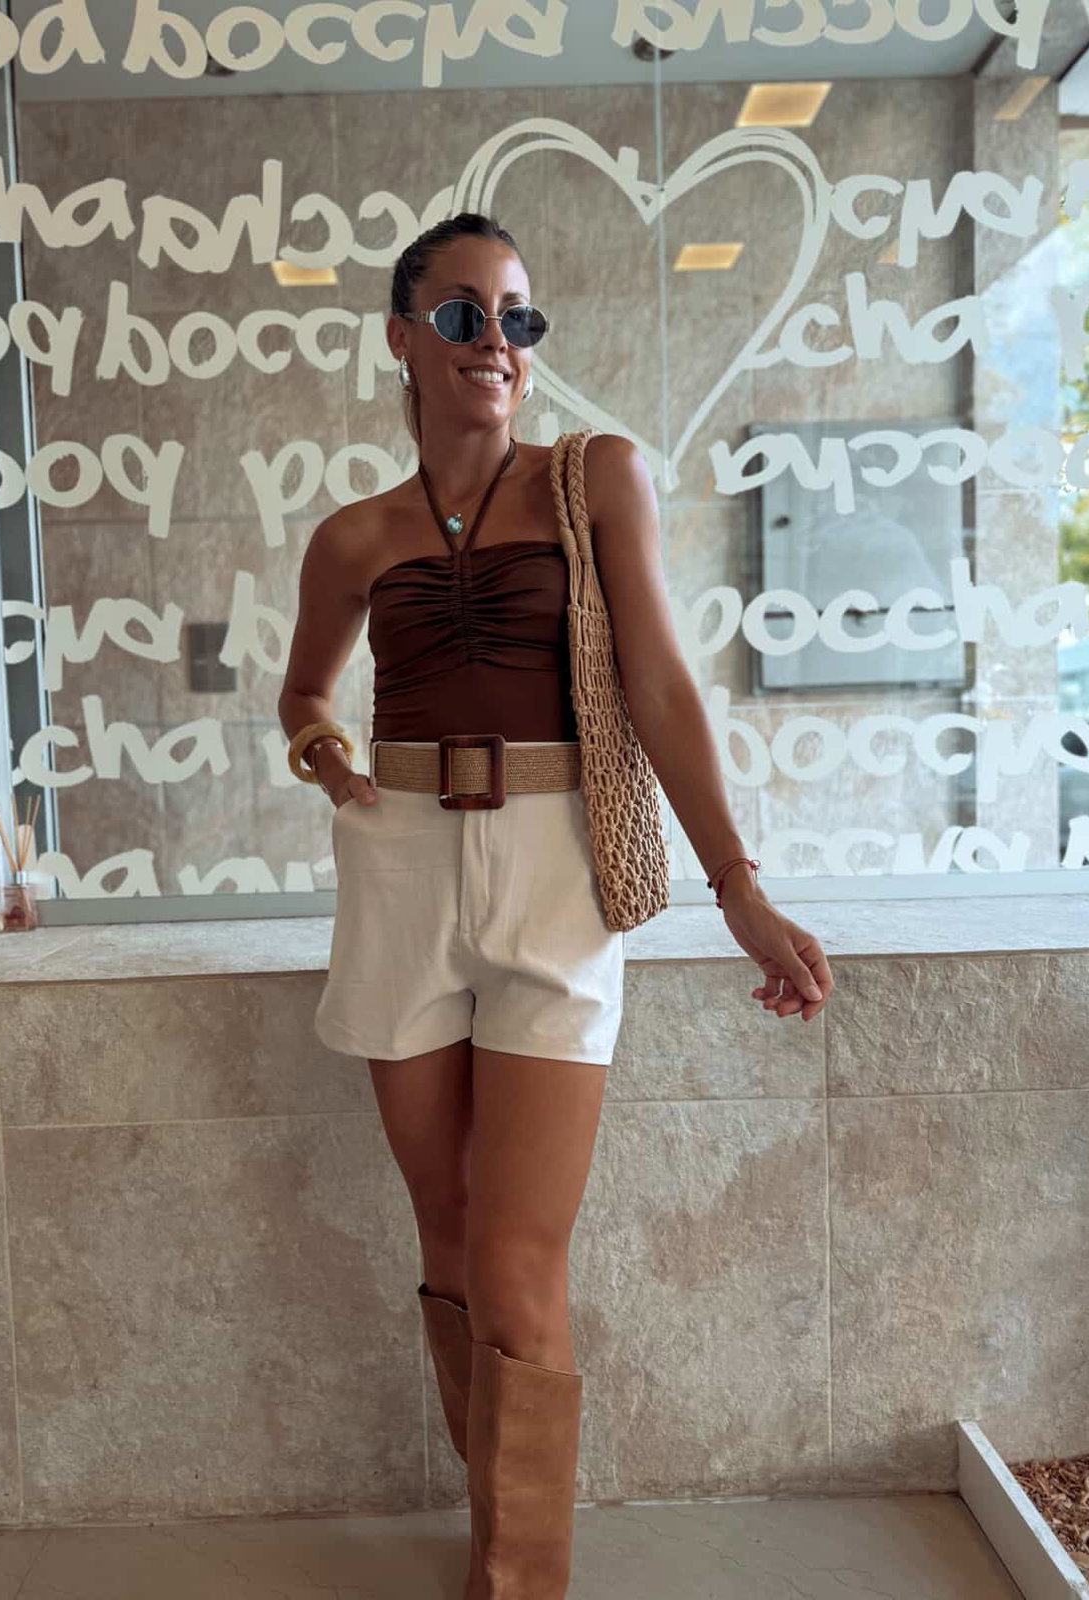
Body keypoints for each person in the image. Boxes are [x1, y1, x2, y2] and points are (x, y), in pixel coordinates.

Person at [277, 212, 834, 1599]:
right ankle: (498, 1532)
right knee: (449, 1234)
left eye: (517, 316)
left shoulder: (596, 481)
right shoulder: (352, 538)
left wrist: (739, 889)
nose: (496, 341)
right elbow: (302, 693)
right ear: (401, 337)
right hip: (400, 869)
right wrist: (326, 757)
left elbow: (661, 687)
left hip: (554, 877)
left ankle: (515, 1583)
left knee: (519, 1254)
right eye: (462, 313)